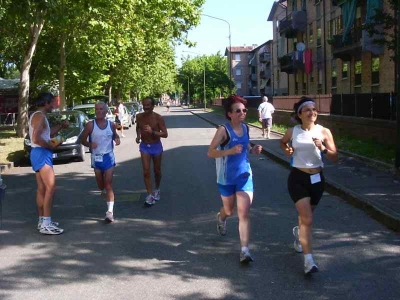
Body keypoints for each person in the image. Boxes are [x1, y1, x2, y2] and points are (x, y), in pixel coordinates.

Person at [280, 96, 338, 275]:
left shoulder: (324, 131)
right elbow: (283, 142)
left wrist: (323, 148)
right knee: (308, 219)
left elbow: (335, 157)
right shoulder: (293, 131)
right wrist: (287, 149)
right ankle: (308, 260)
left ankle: (299, 234)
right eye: (307, 110)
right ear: (299, 114)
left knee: (306, 217)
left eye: (314, 109)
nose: (312, 112)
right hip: (298, 178)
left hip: (317, 180)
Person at [207, 95, 263, 264]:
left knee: (244, 213)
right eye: (237, 111)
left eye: (244, 110)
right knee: (229, 211)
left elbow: (245, 146)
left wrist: (253, 149)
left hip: (244, 176)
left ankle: (244, 250)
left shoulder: (246, 128)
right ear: (229, 114)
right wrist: (228, 152)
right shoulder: (223, 130)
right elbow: (210, 152)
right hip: (226, 177)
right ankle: (221, 218)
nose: (242, 113)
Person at [29, 92, 69, 235]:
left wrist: (61, 127)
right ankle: (46, 223)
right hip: (41, 152)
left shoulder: (37, 115)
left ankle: (42, 221)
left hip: (37, 153)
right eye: (52, 102)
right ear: (46, 103)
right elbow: (36, 138)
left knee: (42, 188)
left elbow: (46, 133)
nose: (54, 105)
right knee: (50, 187)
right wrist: (51, 146)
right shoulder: (40, 116)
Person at [81, 101, 121, 223]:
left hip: (108, 157)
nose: (98, 111)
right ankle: (103, 190)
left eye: (101, 109)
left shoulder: (111, 124)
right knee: (101, 185)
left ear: (106, 111)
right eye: (96, 109)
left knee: (108, 184)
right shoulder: (90, 125)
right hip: (96, 158)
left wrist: (117, 138)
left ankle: (109, 212)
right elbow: (82, 140)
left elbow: (115, 135)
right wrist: (89, 144)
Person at [135, 97, 168, 206]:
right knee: (146, 171)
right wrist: (138, 136)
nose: (146, 107)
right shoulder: (139, 116)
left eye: (148, 105)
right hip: (144, 146)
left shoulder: (158, 118)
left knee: (157, 171)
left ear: (153, 106)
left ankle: (157, 189)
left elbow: (165, 134)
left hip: (156, 146)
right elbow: (138, 127)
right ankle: (150, 195)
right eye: (144, 105)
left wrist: (152, 132)